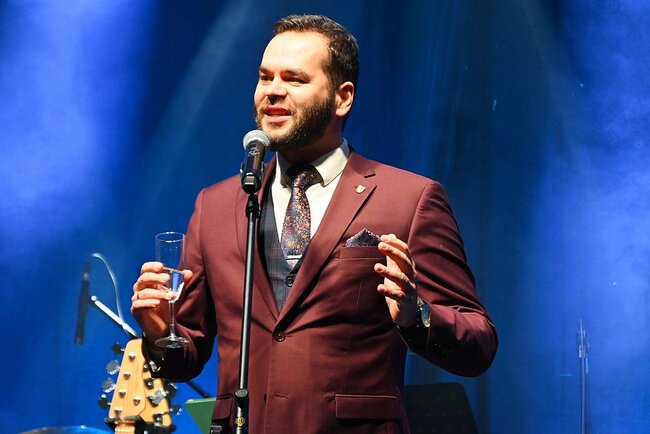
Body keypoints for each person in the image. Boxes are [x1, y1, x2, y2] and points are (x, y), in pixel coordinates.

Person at [131, 14, 497, 434]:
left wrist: (417, 314)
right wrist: (159, 332)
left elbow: (479, 343)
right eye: (265, 77)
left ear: (343, 98)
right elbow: (187, 355)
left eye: (294, 79)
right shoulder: (215, 205)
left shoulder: (409, 199)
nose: (273, 90)